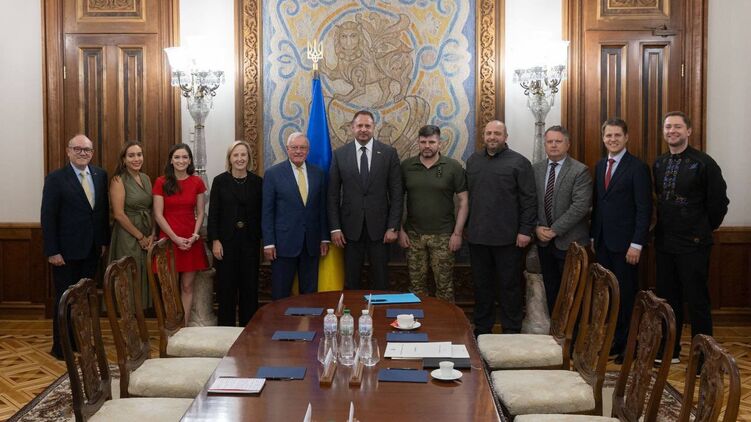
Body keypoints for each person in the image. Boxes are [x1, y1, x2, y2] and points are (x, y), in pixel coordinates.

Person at [653, 111, 728, 363]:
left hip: (694, 245)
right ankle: (670, 351)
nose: (672, 131)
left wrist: (702, 230)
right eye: (668, 127)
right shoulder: (659, 163)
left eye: (677, 127)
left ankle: (702, 356)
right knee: (667, 301)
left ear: (688, 131)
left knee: (697, 301)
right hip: (665, 244)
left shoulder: (705, 163)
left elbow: (719, 204)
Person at [41, 134, 109, 359]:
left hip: (91, 250)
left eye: (87, 150)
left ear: (92, 153)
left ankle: (80, 341)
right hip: (65, 252)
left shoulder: (100, 175)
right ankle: (62, 348)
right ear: (68, 151)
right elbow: (48, 217)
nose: (82, 153)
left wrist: (102, 242)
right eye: (77, 149)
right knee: (65, 299)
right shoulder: (56, 179)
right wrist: (52, 251)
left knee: (83, 299)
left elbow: (101, 212)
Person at [466, 120, 536, 336]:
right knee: (481, 287)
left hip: (509, 239)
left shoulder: (520, 162)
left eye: (497, 133)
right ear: (483, 136)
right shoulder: (473, 161)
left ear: (505, 137)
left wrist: (525, 230)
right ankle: (482, 331)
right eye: (488, 133)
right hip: (478, 237)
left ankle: (511, 331)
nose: (492, 137)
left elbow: (529, 200)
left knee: (510, 287)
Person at [590, 118, 652, 362]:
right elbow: (599, 205)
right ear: (603, 138)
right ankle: (616, 341)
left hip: (626, 246)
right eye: (608, 135)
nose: (612, 139)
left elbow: (644, 209)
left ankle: (630, 346)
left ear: (626, 137)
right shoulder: (600, 165)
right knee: (611, 295)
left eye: (617, 135)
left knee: (627, 295)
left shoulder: (637, 167)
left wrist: (637, 243)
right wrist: (594, 235)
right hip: (603, 243)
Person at [328, 110, 403, 290]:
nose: (363, 129)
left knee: (381, 279)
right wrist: (335, 228)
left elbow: (397, 194)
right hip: (349, 230)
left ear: (373, 127)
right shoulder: (339, 155)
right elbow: (332, 195)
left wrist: (393, 227)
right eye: (359, 126)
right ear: (352, 128)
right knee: (351, 280)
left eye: (367, 126)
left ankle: (379, 309)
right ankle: (352, 309)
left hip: (381, 230)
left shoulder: (389, 153)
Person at [398, 125, 468, 303]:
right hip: (413, 236)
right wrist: (399, 230)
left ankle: (445, 321)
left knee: (444, 287)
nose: (427, 146)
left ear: (439, 143)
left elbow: (464, 201)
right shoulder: (406, 166)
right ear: (418, 143)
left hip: (444, 236)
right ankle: (418, 320)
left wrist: (457, 233)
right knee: (416, 288)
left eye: (431, 142)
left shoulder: (453, 167)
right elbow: (396, 200)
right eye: (423, 142)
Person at [533, 125, 592, 314]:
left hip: (571, 242)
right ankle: (555, 329)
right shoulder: (536, 169)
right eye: (549, 141)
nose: (553, 145)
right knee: (551, 290)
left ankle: (573, 331)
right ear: (545, 145)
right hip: (544, 242)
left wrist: (554, 230)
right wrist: (536, 227)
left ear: (567, 144)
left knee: (572, 292)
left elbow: (580, 206)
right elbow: (529, 203)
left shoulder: (580, 170)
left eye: (558, 141)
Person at [262, 133, 330, 299]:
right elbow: (267, 211)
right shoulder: (273, 174)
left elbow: (322, 208)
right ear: (287, 149)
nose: (298, 151)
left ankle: (309, 317)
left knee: (310, 294)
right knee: (281, 293)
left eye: (302, 147)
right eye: (294, 147)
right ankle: (280, 318)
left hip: (311, 244)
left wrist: (324, 238)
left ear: (308, 150)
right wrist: (269, 242)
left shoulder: (318, 173)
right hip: (283, 244)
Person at [152, 143, 209, 325]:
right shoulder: (161, 182)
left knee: (187, 286)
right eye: (177, 157)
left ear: (190, 160)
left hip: (191, 241)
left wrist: (194, 235)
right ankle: (171, 327)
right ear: (171, 160)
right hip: (168, 241)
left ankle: (183, 328)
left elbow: (201, 212)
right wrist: (175, 238)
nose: (181, 161)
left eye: (185, 157)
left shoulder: (197, 182)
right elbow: (158, 215)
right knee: (169, 288)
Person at [208, 141, 263, 326]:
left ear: (249, 158)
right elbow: (213, 214)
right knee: (226, 290)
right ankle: (226, 331)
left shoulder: (258, 182)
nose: (240, 159)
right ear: (229, 158)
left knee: (249, 289)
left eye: (243, 155)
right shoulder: (220, 181)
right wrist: (215, 240)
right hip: (225, 244)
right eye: (236, 155)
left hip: (250, 243)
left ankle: (248, 331)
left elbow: (263, 213)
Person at [108, 141, 154, 309]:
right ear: (124, 159)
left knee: (142, 275)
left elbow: (152, 208)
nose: (136, 159)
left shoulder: (146, 178)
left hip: (146, 232)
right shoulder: (118, 180)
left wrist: (151, 234)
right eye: (131, 155)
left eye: (139, 155)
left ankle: (139, 317)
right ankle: (126, 320)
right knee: (127, 275)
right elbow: (119, 214)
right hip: (128, 235)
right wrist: (140, 237)